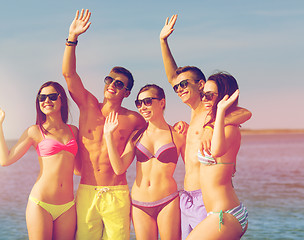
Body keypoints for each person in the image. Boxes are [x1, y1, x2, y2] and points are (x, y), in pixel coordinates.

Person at [160, 15, 252, 239]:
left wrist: (211, 127)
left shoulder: (209, 108)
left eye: (185, 84)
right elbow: (174, 77)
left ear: (201, 85)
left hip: (209, 199)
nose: (179, 88)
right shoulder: (192, 115)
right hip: (188, 197)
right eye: (176, 87)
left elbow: (244, 112)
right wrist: (163, 42)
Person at [62, 9, 145, 240]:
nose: (112, 85)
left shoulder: (134, 120)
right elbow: (69, 75)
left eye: (119, 84)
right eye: (109, 80)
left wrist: (180, 127)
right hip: (87, 191)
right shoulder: (88, 105)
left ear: (127, 92)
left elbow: (157, 131)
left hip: (117, 193)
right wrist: (72, 38)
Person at [0, 81, 79, 240]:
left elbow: (79, 169)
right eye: (42, 97)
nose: (46, 101)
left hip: (67, 206)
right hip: (41, 204)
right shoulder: (35, 131)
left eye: (52, 96)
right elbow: (5, 159)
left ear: (62, 100)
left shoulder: (74, 131)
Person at [104, 84, 186, 240]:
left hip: (168, 201)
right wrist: (108, 136)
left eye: (147, 101)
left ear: (162, 102)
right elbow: (119, 168)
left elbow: (193, 168)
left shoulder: (178, 134)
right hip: (139, 203)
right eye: (139, 103)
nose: (142, 107)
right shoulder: (136, 136)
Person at [187, 72, 248, 239]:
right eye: (202, 95)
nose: (204, 99)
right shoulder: (215, 125)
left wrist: (220, 111)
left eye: (209, 95)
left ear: (223, 96)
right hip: (216, 212)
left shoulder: (230, 128)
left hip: (225, 213)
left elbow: (216, 151)